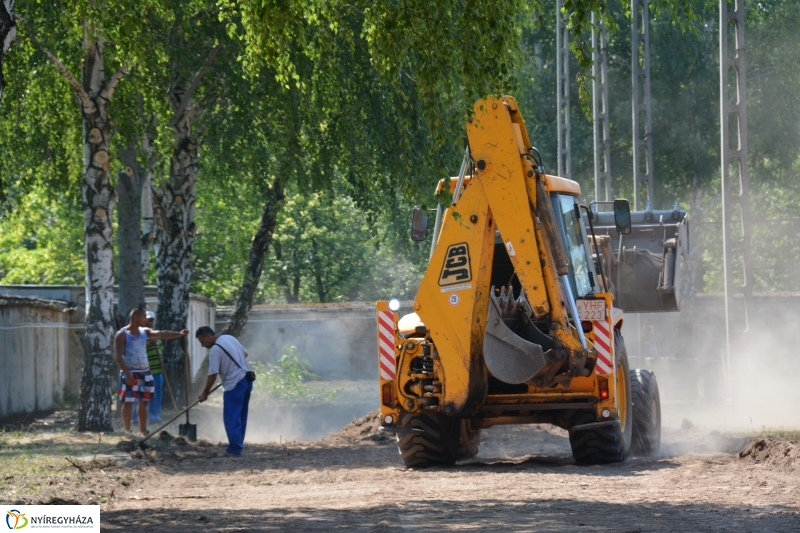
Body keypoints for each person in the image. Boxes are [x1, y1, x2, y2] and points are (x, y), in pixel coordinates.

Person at [115, 307, 189, 436]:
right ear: (136, 318)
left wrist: (179, 334)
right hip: (130, 372)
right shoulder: (122, 334)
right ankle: (127, 430)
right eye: (143, 317)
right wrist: (126, 373)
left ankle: (143, 430)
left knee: (144, 401)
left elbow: (162, 334)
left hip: (145, 372)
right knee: (128, 402)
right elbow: (118, 356)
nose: (146, 319)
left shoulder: (145, 332)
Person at [195, 326, 253, 457]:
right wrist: (230, 368)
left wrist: (205, 393)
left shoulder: (215, 350)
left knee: (231, 417)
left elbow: (212, 374)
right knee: (241, 415)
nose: (203, 345)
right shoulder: (229, 338)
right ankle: (238, 445)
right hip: (246, 380)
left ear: (209, 336)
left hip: (234, 384)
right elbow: (245, 354)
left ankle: (234, 449)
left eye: (202, 341)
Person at [132, 310, 166, 424]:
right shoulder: (137, 334)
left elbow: (160, 350)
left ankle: (154, 417)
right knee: (140, 395)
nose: (149, 322)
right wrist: (150, 344)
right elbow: (135, 351)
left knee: (156, 395)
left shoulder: (155, 334)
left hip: (157, 370)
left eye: (151, 320)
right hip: (143, 370)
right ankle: (136, 418)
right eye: (147, 320)